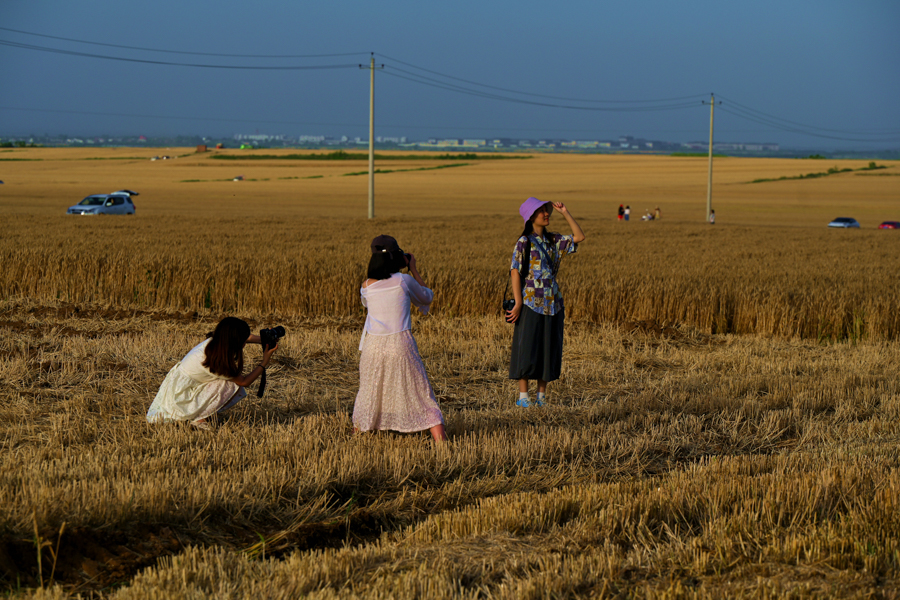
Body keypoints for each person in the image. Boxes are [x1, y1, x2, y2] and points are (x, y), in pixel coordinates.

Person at [353, 235, 447, 442]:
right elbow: (426, 297)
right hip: (400, 344)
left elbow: (368, 305)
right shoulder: (404, 281)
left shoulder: (366, 285)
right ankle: (440, 441)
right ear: (397, 257)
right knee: (420, 391)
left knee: (370, 391)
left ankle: (358, 435)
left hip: (373, 346)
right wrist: (412, 268)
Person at [506, 198, 585, 407]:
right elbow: (515, 271)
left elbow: (579, 237)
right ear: (531, 217)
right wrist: (518, 303)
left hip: (554, 303)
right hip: (531, 302)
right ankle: (524, 398)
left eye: (546, 210)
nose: (546, 213)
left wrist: (566, 213)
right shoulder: (524, 241)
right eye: (541, 211)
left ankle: (541, 397)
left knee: (548, 348)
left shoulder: (553, 240)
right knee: (527, 347)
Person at [147, 317, 278, 428]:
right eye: (243, 340)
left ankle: (202, 414)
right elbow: (244, 382)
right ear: (236, 341)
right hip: (181, 397)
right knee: (233, 385)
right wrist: (264, 361)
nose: (245, 342)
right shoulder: (217, 362)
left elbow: (241, 336)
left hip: (182, 387)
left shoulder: (216, 342)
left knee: (229, 382)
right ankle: (199, 419)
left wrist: (264, 339)